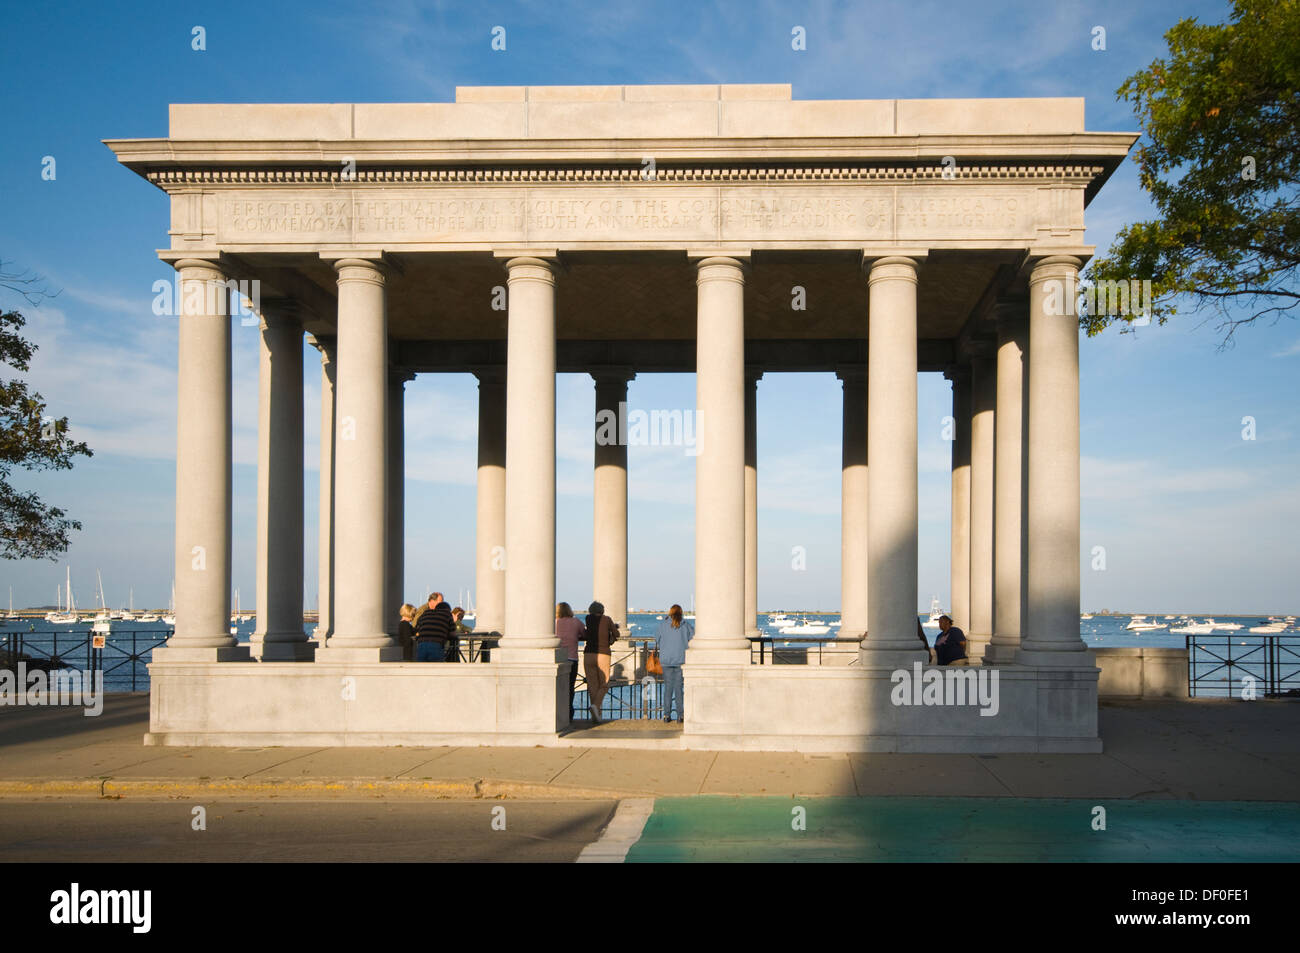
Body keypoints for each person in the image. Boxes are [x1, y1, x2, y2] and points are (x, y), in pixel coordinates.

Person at [653, 604, 693, 723]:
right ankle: (680, 715)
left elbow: (656, 639)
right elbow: (693, 637)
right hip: (680, 659)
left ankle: (666, 715)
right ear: (681, 613)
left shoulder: (663, 625)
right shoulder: (685, 625)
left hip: (666, 660)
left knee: (668, 689)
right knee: (678, 689)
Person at [583, 600, 618, 723]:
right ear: (602, 610)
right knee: (604, 684)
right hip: (603, 653)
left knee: (592, 685)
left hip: (588, 654)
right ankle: (596, 707)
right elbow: (616, 634)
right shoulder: (607, 619)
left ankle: (596, 716)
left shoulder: (588, 619)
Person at [555, 602, 585, 720]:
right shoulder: (575, 621)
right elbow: (584, 633)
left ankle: (558, 712)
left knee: (557, 687)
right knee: (570, 687)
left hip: (557, 659)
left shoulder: (554, 622)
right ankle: (569, 712)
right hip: (572, 658)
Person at [414, 592, 453, 662]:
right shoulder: (447, 614)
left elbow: (417, 627)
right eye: (440, 601)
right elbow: (452, 632)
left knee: (420, 669)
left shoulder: (426, 613)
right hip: (436, 644)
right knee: (436, 669)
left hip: (421, 644)